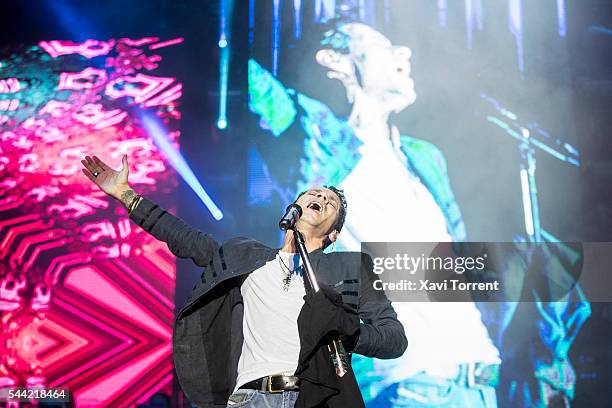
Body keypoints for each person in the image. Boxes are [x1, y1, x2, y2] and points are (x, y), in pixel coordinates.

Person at [80, 154, 407, 407]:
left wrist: (347, 331)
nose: (320, 196)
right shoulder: (245, 256)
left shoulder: (350, 267)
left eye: (330, 202)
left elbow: (394, 338)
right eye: (314, 192)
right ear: (294, 207)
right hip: (248, 398)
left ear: (333, 233)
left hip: (310, 396)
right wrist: (125, 194)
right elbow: (185, 238)